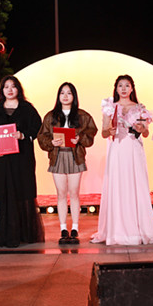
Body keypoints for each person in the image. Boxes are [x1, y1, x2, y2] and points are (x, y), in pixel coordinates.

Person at [91, 75, 153, 245]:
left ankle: (136, 229)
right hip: (117, 149)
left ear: (132, 88)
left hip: (134, 148)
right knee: (118, 184)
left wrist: (142, 129)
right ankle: (117, 229)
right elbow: (104, 132)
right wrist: (109, 131)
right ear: (116, 88)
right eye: (121, 85)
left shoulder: (140, 108)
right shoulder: (110, 106)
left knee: (135, 184)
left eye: (127, 85)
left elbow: (146, 133)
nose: (124, 89)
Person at [0, 75, 44, 247]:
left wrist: (23, 135)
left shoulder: (27, 109)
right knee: (1, 192)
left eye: (13, 86)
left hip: (22, 159)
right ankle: (2, 235)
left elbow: (38, 128)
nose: (9, 90)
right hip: (0, 160)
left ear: (18, 89)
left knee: (22, 191)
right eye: (6, 86)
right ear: (2, 90)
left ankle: (24, 235)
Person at [37, 82, 98, 244]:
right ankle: (63, 228)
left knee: (74, 193)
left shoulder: (82, 116)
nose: (65, 96)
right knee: (61, 193)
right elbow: (41, 136)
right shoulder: (51, 116)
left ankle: (75, 228)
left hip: (75, 156)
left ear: (74, 96)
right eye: (62, 93)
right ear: (58, 96)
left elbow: (91, 133)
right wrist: (51, 142)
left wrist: (80, 138)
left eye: (69, 93)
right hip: (57, 156)